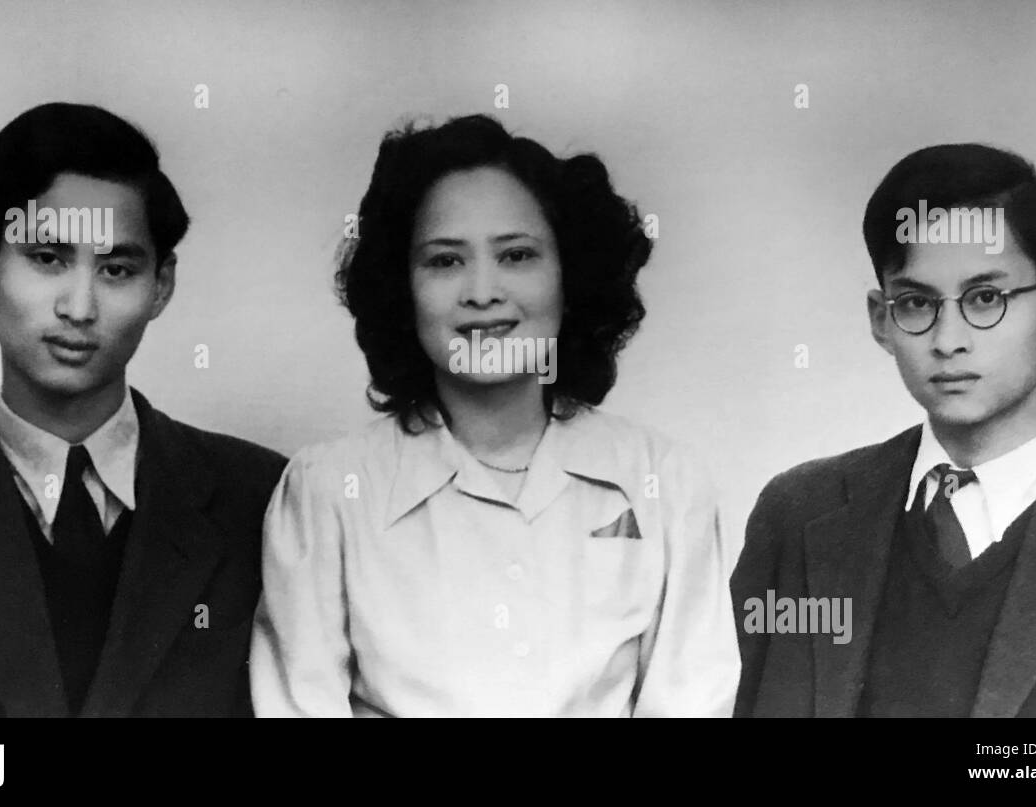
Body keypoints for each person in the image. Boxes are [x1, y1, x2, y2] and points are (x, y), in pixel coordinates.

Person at [250, 114, 738, 717]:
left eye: (516, 255)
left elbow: (692, 702)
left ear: (571, 278)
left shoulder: (665, 482)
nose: (482, 292)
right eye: (445, 261)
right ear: (402, 289)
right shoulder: (326, 492)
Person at [0, 102, 286, 717]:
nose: (79, 307)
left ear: (160, 285)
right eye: (47, 259)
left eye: (116, 269)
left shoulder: (266, 503)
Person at [731, 143, 1036, 717]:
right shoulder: (798, 515)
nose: (948, 338)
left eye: (986, 298)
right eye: (916, 303)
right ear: (881, 321)